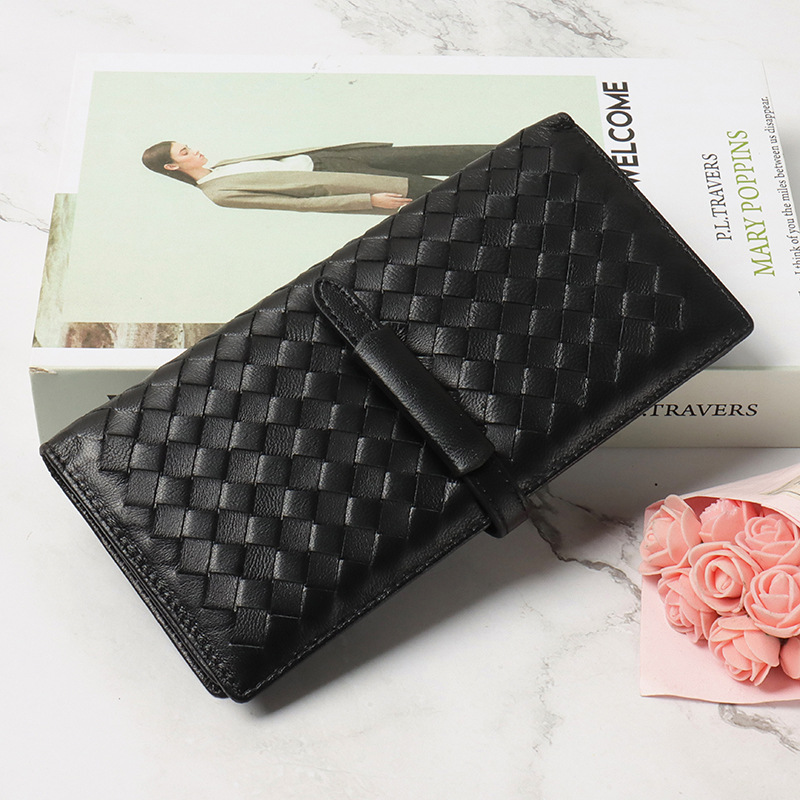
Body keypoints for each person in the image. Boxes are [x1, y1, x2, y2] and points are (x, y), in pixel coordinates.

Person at [141, 139, 493, 214]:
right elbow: (301, 204)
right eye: (184, 153)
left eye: (188, 146)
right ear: (172, 167)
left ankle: (519, 150)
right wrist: (367, 200)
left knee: (444, 154)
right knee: (452, 193)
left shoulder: (225, 163)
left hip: (336, 158)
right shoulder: (220, 193)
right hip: (351, 183)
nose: (195, 151)